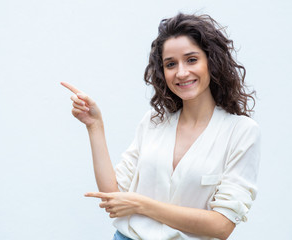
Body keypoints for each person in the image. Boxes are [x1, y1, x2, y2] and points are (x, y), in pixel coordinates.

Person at [62, 13, 260, 240]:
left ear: (211, 62)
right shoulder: (153, 122)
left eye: (192, 59)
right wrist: (94, 126)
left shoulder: (242, 131)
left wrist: (140, 204)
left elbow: (222, 225)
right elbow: (113, 196)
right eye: (171, 64)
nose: (181, 72)